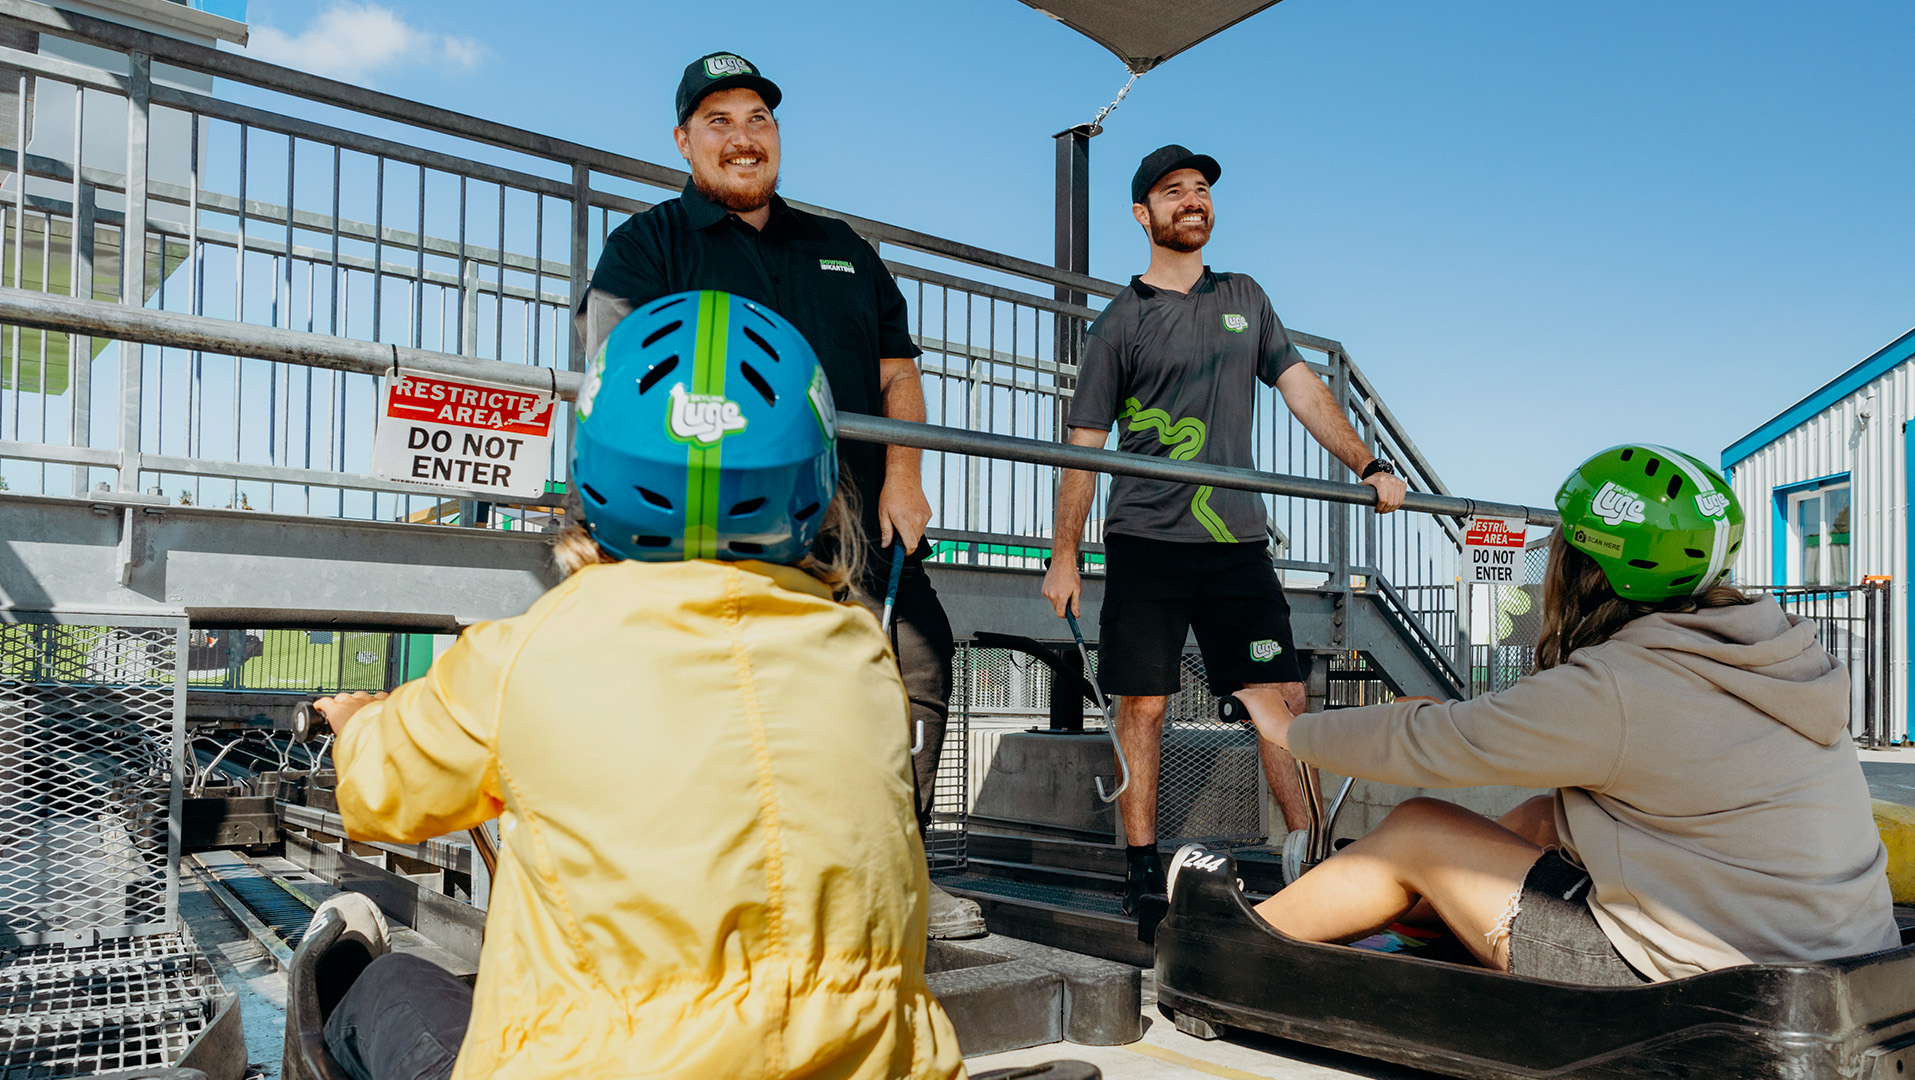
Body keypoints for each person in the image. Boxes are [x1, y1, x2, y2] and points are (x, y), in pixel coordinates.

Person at [306, 292, 965, 1080]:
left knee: (383, 984)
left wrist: (354, 722)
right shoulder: (861, 656)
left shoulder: (527, 657)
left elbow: (380, 797)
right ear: (814, 480)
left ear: (596, 466)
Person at [1226, 444, 1900, 983]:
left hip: (1711, 981)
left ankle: (1226, 942)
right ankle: (1418, 926)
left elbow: (1439, 745)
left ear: (1592, 569)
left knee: (1418, 829)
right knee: (1550, 814)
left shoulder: (1621, 683)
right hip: (1841, 955)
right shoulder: (1773, 650)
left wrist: (1289, 729)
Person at [573, 52, 979, 938]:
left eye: (758, 118)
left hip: (851, 522)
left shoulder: (841, 249)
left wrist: (904, 476)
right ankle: (720, 891)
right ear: (683, 141)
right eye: (718, 121)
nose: (742, 137)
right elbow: (612, 376)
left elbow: (897, 372)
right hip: (712, 528)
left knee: (914, 662)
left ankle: (897, 871)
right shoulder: (647, 246)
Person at [1041, 144, 1409, 914]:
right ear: (1143, 215)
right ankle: (1142, 872)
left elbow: (1305, 393)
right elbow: (1082, 449)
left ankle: (1308, 853)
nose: (1193, 200)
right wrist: (1064, 554)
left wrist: (1369, 466)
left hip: (1237, 546)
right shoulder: (1119, 323)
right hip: (1147, 540)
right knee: (1143, 706)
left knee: (1281, 696)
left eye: (1202, 189)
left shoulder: (1246, 296)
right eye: (1174, 192)